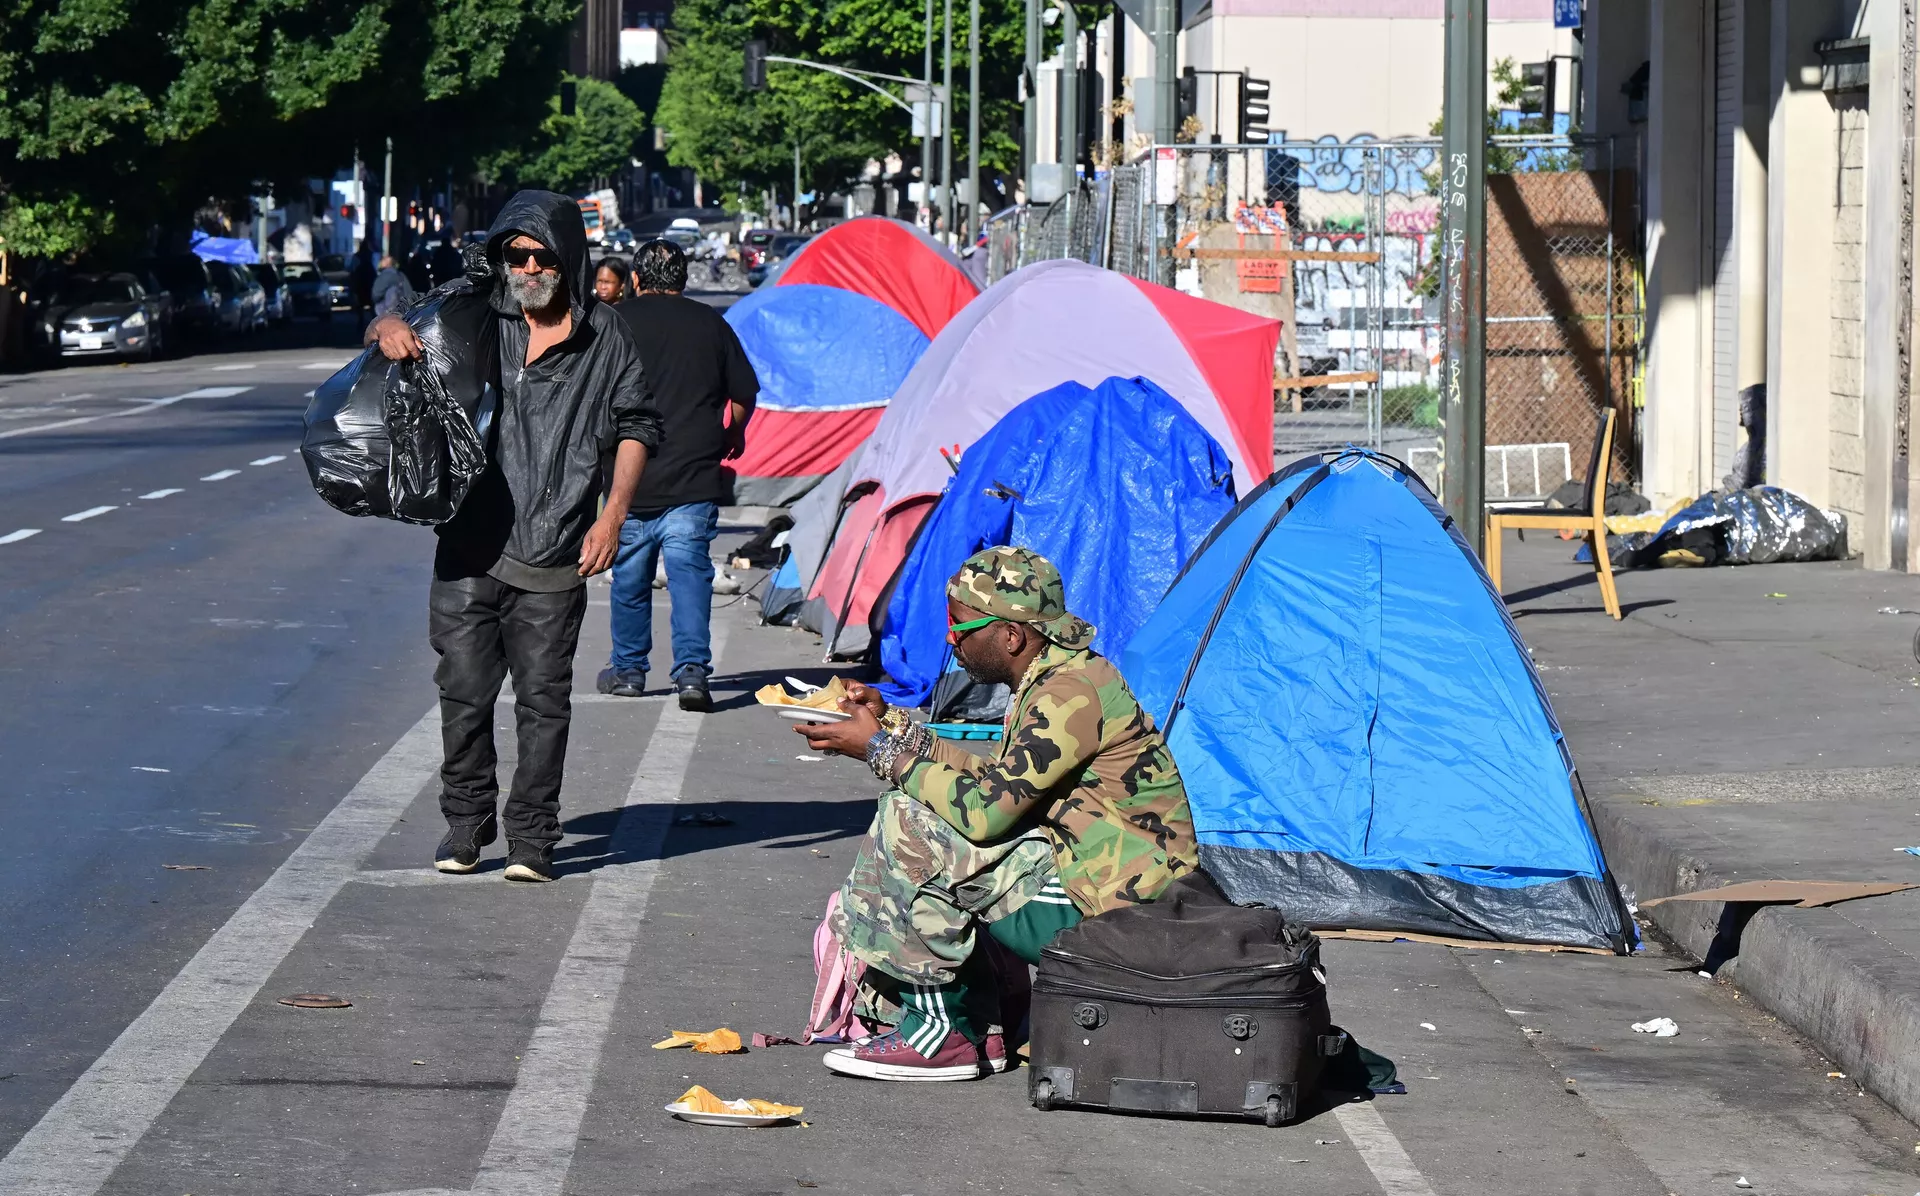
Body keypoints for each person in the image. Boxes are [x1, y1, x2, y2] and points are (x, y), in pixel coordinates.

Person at [794, 546, 1197, 1081]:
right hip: (1101, 881)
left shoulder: (1070, 694)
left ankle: (943, 1036)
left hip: (1121, 910)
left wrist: (882, 754)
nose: (950, 638)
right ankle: (986, 1024)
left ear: (1010, 635)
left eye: (961, 626)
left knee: (914, 824)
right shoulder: (1059, 676)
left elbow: (986, 815)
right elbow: (1000, 785)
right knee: (927, 807)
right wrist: (891, 724)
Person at [364, 190, 662, 883]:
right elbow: (393, 323)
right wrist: (386, 326)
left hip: (556, 546)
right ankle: (466, 825)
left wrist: (612, 513)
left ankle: (533, 839)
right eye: (514, 254)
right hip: (470, 541)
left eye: (540, 255)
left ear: (569, 258)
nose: (526, 267)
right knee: (463, 693)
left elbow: (637, 426)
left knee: (543, 702)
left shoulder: (605, 336)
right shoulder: (472, 312)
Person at [596, 239, 759, 711]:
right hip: (693, 476)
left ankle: (628, 670)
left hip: (630, 480)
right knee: (690, 577)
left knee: (629, 578)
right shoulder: (711, 323)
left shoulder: (614, 323)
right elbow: (743, 391)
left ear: (636, 281)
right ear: (683, 281)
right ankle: (692, 673)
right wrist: (735, 433)